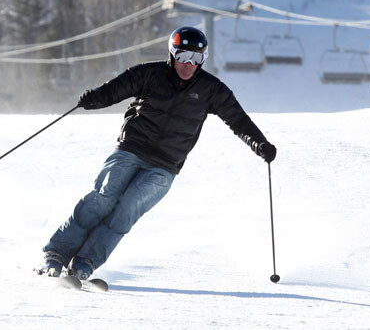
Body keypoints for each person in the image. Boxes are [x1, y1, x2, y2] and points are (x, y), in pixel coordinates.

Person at [36, 26, 277, 280]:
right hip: (131, 148)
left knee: (126, 210)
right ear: (173, 54)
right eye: (183, 56)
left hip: (165, 165)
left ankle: (85, 263)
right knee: (103, 199)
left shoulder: (211, 90)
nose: (188, 64)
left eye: (196, 59)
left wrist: (260, 144)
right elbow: (116, 89)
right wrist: (94, 98)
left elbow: (238, 120)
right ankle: (57, 253)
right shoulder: (150, 73)